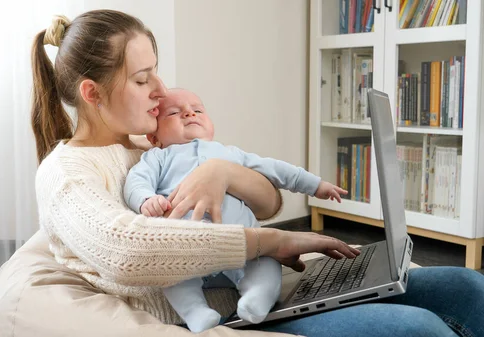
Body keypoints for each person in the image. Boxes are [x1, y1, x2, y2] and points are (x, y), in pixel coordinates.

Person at [26, 9, 484, 337]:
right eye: (143, 79)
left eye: (157, 74)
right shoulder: (67, 172)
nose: (161, 91)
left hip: (263, 282)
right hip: (228, 310)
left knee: (467, 285)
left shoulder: (150, 144)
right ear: (93, 93)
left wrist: (223, 171)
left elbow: (268, 202)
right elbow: (127, 251)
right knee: (419, 328)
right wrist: (276, 241)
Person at [122, 88, 348, 332]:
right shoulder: (158, 157)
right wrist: (146, 200)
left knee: (267, 264)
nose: (189, 114)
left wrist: (315, 185)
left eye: (197, 110)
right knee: (170, 274)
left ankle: (256, 298)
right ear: (154, 138)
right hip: (189, 249)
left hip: (246, 245)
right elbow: (136, 181)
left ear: (211, 125)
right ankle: (196, 312)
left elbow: (276, 170)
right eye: (174, 113)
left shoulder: (230, 153)